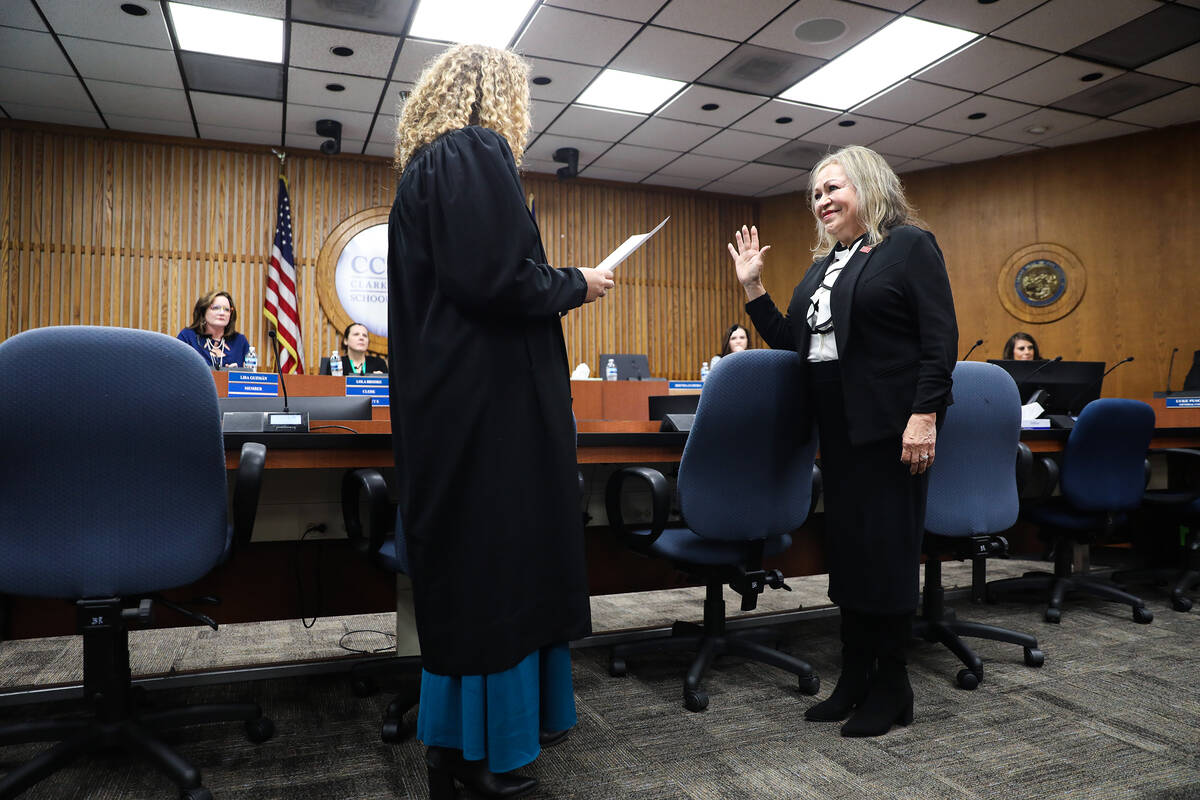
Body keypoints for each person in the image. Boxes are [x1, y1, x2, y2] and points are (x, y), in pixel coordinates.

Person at [387, 43, 614, 798]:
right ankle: (489, 763)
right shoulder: (471, 150)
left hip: (459, 409)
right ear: (496, 93)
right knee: (496, 577)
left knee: (477, 575)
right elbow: (496, 280)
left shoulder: (428, 166)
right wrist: (578, 282)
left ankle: (458, 753)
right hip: (487, 417)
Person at [727, 145, 957, 738]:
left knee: (887, 554)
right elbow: (793, 341)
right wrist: (753, 290)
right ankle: (854, 675)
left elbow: (940, 338)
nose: (822, 201)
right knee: (850, 556)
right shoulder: (827, 262)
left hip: (891, 426)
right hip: (837, 429)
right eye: (816, 194)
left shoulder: (907, 245)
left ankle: (893, 684)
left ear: (870, 186)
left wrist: (924, 413)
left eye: (833, 189)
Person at [177, 290, 249, 370]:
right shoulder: (188, 337)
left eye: (227, 310)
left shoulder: (240, 341)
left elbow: (250, 376)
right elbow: (177, 370)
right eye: (215, 308)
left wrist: (237, 374)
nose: (222, 313)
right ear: (203, 312)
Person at [320, 322, 387, 374]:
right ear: (345, 341)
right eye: (356, 334)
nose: (361, 338)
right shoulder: (336, 363)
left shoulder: (378, 363)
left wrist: (381, 380)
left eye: (364, 335)